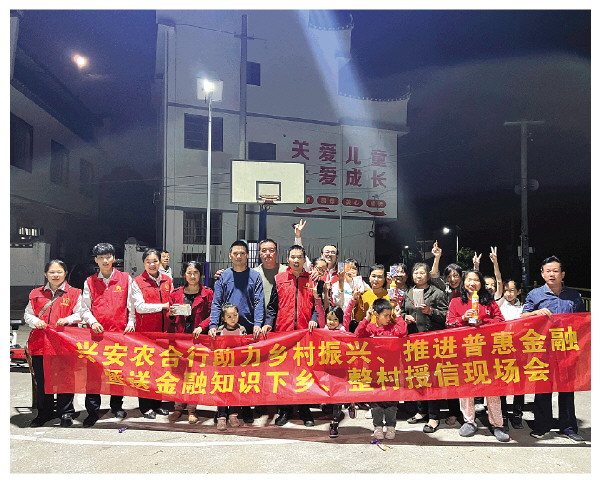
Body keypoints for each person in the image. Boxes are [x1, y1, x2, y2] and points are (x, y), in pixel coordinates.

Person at [521, 256, 586, 442]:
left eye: (555, 271)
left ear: (562, 274)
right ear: (542, 274)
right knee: (542, 389)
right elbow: (523, 317)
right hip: (543, 350)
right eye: (548, 271)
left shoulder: (573, 295)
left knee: (567, 390)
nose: (552, 274)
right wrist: (536, 313)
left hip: (567, 350)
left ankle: (568, 427)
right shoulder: (535, 294)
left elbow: (583, 320)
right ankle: (542, 425)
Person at [446, 270, 509, 442]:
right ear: (464, 283)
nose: (472, 283)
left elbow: (501, 322)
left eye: (476, 280)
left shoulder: (489, 302)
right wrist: (462, 318)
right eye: (469, 280)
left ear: (481, 284)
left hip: (487, 351)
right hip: (465, 351)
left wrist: (484, 321)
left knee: (492, 389)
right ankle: (469, 421)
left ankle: (497, 424)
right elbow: (449, 323)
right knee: (466, 388)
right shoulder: (456, 302)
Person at [208, 240, 265, 424]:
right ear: (230, 255)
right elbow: (216, 302)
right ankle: (222, 409)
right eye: (235, 253)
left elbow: (259, 302)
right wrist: (213, 325)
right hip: (226, 331)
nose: (239, 256)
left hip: (247, 330)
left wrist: (258, 323)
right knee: (224, 372)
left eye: (242, 253)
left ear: (247, 255)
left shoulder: (255, 276)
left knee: (246, 372)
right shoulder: (224, 276)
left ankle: (245, 407)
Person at [80, 243, 135, 427]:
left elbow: (131, 304)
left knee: (117, 372)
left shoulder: (125, 278)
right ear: (95, 259)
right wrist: (93, 322)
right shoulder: (89, 281)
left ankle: (116, 406)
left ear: (114, 258)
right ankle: (92, 411)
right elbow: (84, 308)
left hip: (118, 335)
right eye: (101, 257)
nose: (105, 260)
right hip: (96, 336)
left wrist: (131, 322)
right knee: (93, 375)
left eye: (108, 256)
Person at [264, 244, 319, 427]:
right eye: (293, 257)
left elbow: (317, 306)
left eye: (299, 257)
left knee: (304, 373)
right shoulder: (279, 279)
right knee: (285, 373)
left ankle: (304, 409)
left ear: (304, 260)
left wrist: (314, 319)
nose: (296, 260)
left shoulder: (312, 280)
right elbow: (272, 307)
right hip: (284, 334)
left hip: (305, 335)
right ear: (287, 259)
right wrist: (268, 324)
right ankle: (285, 410)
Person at [25, 260, 83, 427]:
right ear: (46, 274)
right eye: (52, 272)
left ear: (65, 274)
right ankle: (44, 413)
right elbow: (28, 314)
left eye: (59, 272)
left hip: (64, 343)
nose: (55, 275)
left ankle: (66, 412)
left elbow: (81, 314)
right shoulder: (36, 293)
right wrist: (35, 321)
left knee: (66, 378)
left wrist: (68, 319)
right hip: (41, 343)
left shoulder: (74, 293)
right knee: (43, 379)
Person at [400, 262, 448, 433]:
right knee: (417, 377)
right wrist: (405, 317)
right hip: (413, 342)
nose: (418, 276)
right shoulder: (409, 293)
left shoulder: (437, 293)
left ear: (428, 275)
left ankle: (434, 417)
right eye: (416, 273)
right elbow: (402, 311)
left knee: (432, 379)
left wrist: (431, 311)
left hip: (431, 342)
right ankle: (421, 411)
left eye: (421, 273)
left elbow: (446, 316)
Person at [355, 298, 408, 441]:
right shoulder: (371, 328)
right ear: (376, 314)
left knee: (391, 402)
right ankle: (378, 426)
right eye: (385, 315)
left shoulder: (393, 328)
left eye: (390, 315)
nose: (388, 318)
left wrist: (398, 316)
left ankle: (391, 426)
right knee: (376, 402)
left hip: (392, 372)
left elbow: (403, 332)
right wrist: (366, 318)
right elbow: (358, 334)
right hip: (375, 372)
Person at [168, 260, 213, 424]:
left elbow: (213, 314)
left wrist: (202, 326)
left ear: (200, 275)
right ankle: (178, 407)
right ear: (184, 274)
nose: (192, 276)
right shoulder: (175, 294)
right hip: (179, 340)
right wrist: (171, 314)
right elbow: (169, 318)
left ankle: (192, 409)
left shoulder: (207, 293)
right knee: (178, 374)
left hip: (197, 340)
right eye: (189, 273)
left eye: (195, 273)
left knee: (194, 375)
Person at [130, 248, 172, 419]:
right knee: (145, 371)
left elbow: (171, 301)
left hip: (164, 333)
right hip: (145, 334)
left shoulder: (167, 280)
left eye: (155, 261)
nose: (152, 264)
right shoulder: (137, 282)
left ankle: (157, 404)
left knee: (160, 370)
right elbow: (139, 307)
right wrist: (163, 307)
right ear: (144, 264)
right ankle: (145, 407)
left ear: (160, 262)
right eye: (148, 262)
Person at [496, 278, 525, 429]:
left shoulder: (524, 308)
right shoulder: (499, 304)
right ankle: (503, 415)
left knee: (519, 384)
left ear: (518, 292)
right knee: (502, 383)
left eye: (512, 290)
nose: (508, 293)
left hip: (519, 351)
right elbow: (498, 280)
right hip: (502, 349)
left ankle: (517, 414)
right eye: (506, 290)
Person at [214, 303, 247, 430]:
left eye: (235, 315)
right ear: (223, 318)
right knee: (221, 389)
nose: (233, 319)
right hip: (222, 367)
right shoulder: (219, 331)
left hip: (236, 367)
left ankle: (233, 414)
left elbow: (246, 347)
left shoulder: (242, 330)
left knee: (235, 390)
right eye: (229, 316)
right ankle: (221, 415)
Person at [322, 306, 353, 437]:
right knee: (330, 396)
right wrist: (317, 299)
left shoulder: (343, 329)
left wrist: (353, 300)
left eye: (335, 319)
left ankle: (334, 423)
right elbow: (319, 311)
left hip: (341, 369)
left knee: (337, 397)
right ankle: (350, 402)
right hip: (327, 369)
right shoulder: (322, 330)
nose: (332, 322)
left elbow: (347, 314)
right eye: (329, 319)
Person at [253, 238, 287, 308]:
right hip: (259, 314)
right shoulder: (253, 273)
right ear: (260, 253)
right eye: (264, 251)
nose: (268, 253)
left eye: (271, 250)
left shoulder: (287, 271)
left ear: (276, 253)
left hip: (282, 313)